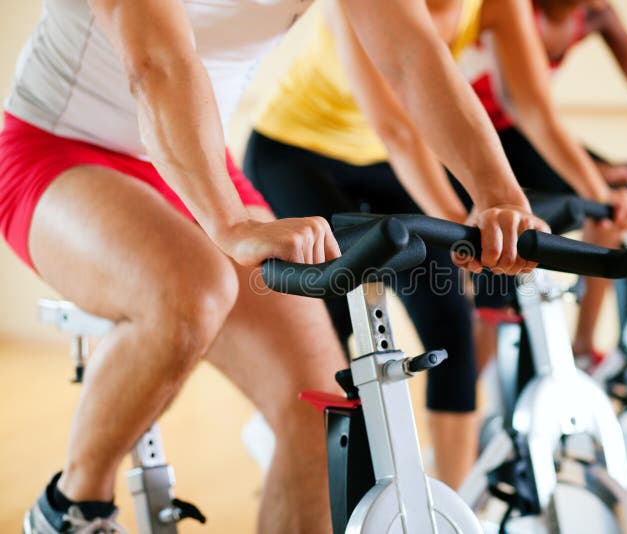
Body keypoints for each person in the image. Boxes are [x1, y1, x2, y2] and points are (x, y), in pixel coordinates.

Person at [0, 1, 547, 533]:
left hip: (196, 167)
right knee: (197, 286)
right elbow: (157, 62)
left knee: (317, 412)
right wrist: (229, 223)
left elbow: (412, 55)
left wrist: (499, 195)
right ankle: (73, 507)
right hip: (56, 149)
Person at [242, 0, 627, 488]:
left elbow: (532, 107)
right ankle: (301, 459)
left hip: (380, 163)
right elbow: (397, 126)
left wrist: (601, 199)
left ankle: (454, 500)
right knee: (331, 330)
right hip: (295, 153)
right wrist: (458, 221)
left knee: (451, 323)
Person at [462, 0, 627, 363]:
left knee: (605, 211)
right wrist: (591, 173)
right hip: (473, 136)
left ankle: (583, 347)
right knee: (499, 262)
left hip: (523, 136)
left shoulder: (596, 14)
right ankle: (477, 378)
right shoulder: (515, 9)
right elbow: (519, 103)